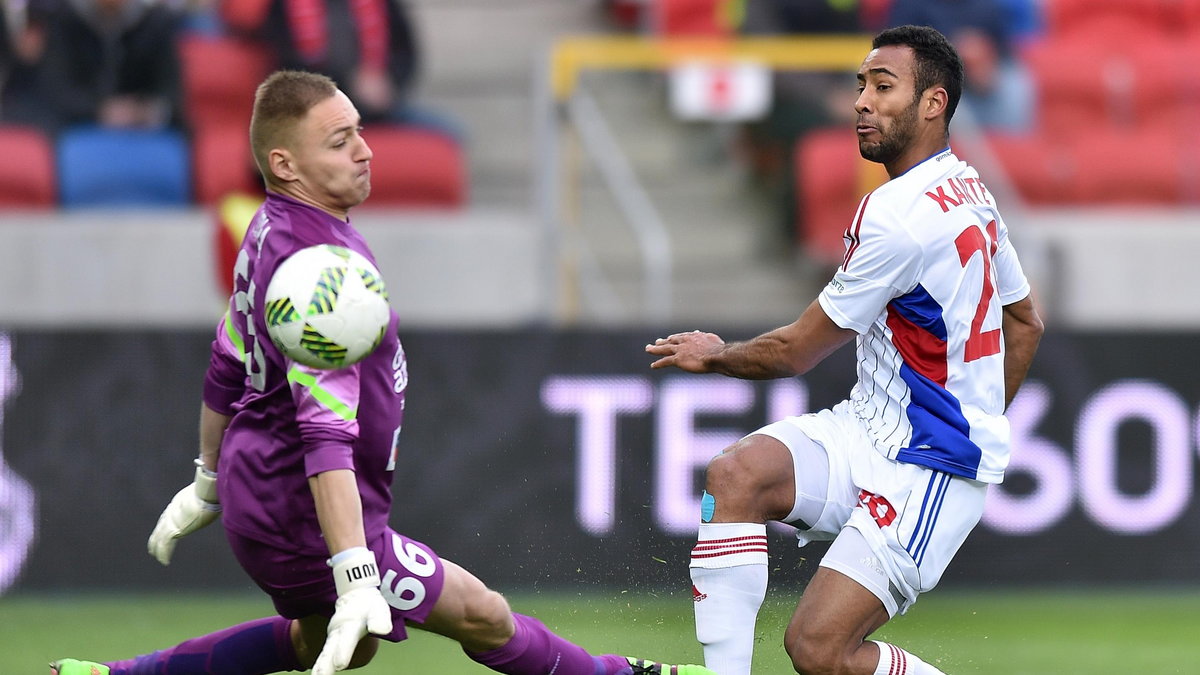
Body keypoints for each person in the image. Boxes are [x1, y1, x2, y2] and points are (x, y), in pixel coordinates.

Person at [52, 70, 713, 675]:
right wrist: (355, 569)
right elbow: (325, 441)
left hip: (263, 492)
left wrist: (206, 476)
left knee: (335, 645)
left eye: (360, 130)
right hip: (305, 513)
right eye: (340, 141)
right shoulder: (323, 278)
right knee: (481, 612)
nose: (366, 150)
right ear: (286, 163)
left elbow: (229, 354)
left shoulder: (269, 227)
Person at [646, 25, 1043, 675]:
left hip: (926, 467)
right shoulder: (969, 188)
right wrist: (980, 413)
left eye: (883, 86)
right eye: (861, 85)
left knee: (818, 650)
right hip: (869, 428)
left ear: (933, 103)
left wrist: (715, 355)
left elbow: (795, 352)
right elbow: (1026, 321)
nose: (861, 100)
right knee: (737, 475)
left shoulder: (895, 215)